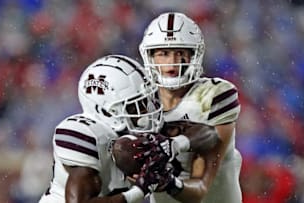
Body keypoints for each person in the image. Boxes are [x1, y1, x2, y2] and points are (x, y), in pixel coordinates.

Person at [138, 12, 243, 203]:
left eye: (180, 52)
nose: (172, 62)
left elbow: (199, 189)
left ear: (194, 55)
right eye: (164, 53)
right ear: (150, 56)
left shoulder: (213, 95)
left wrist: (167, 180)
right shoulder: (140, 103)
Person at [39, 54, 165, 203]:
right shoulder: (85, 134)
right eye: (135, 106)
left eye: (145, 102)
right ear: (106, 110)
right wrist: (139, 191)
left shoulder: (137, 141)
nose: (145, 111)